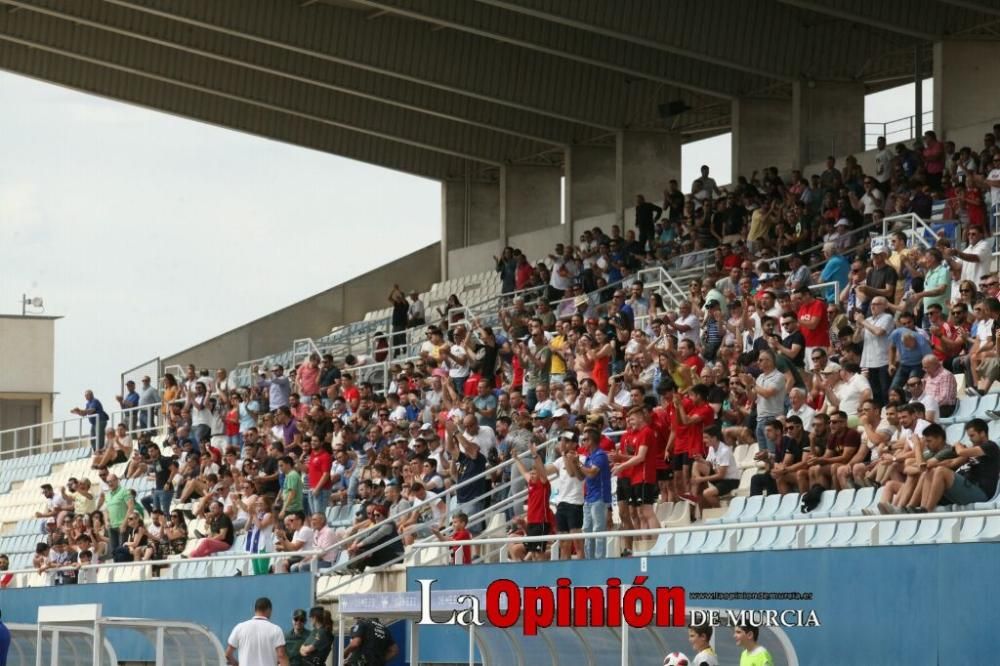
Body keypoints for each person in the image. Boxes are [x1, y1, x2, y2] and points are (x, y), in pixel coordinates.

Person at [226, 597, 289, 666]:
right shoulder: (276, 630)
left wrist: (237, 664)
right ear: (269, 610)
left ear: (255, 610)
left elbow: (228, 654)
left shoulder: (240, 627)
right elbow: (281, 655)